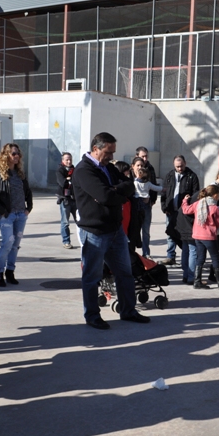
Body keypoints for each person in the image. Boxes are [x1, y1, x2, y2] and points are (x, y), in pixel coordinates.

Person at [72, 132, 150, 329]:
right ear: (96, 149)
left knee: (125, 273)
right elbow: (105, 196)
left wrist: (116, 191)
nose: (111, 156)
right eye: (108, 152)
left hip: (115, 231)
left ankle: (128, 311)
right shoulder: (83, 171)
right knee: (92, 276)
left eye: (113, 152)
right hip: (94, 233)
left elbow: (129, 186)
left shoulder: (108, 168)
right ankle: (92, 316)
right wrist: (116, 193)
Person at [0, 143, 32, 286]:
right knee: (7, 242)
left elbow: (28, 191)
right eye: (13, 153)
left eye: (18, 153)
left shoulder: (20, 173)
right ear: (5, 155)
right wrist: (2, 211)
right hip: (7, 215)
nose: (17, 156)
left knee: (15, 245)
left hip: (21, 214)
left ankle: (10, 272)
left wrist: (29, 207)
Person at [182, 185, 219, 289]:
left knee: (200, 258)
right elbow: (218, 223)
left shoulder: (198, 204)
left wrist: (185, 200)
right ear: (215, 195)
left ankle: (197, 281)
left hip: (197, 235)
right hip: (209, 237)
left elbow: (186, 210)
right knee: (215, 258)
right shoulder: (215, 208)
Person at [160, 155, 200, 265]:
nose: (179, 168)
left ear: (185, 163)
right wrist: (164, 207)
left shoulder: (192, 176)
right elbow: (164, 192)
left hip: (185, 212)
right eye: (177, 166)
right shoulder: (169, 176)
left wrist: (190, 209)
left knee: (184, 235)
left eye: (181, 166)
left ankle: (187, 256)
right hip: (171, 210)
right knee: (171, 233)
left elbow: (196, 194)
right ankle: (170, 256)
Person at [132, 156, 163, 258]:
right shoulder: (131, 180)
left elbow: (154, 187)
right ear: (133, 167)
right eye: (138, 165)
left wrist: (151, 199)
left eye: (142, 165)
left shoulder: (147, 181)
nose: (140, 167)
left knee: (146, 231)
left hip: (146, 206)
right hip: (134, 208)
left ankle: (146, 253)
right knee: (134, 231)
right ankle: (131, 253)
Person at [56, 152, 77, 249]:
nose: (69, 161)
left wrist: (69, 180)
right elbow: (63, 183)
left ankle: (85, 241)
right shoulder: (60, 170)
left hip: (75, 200)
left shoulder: (75, 170)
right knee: (65, 222)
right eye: (67, 159)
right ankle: (66, 241)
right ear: (63, 160)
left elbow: (78, 183)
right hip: (65, 200)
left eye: (70, 159)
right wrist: (69, 180)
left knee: (80, 221)